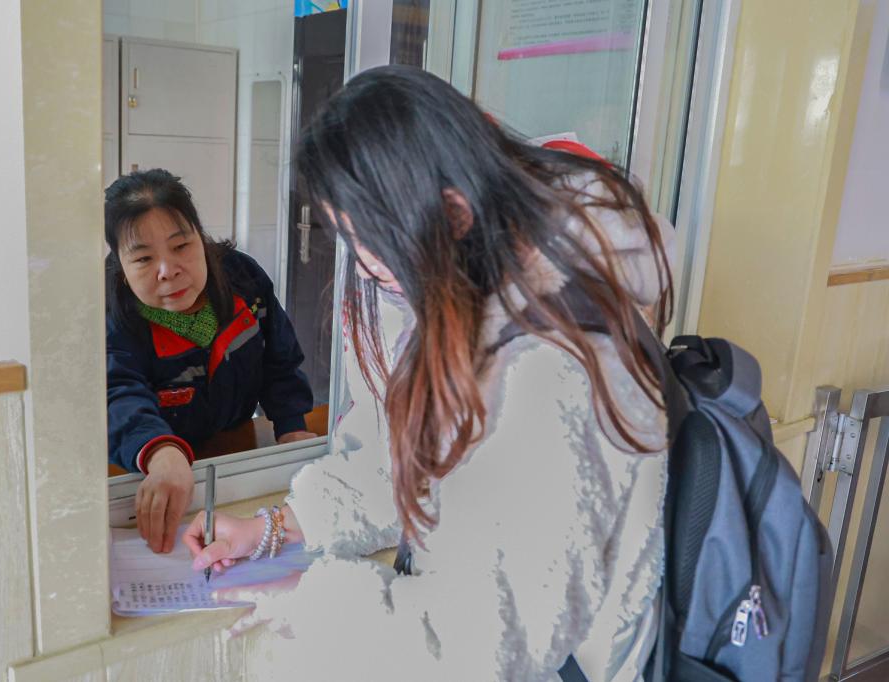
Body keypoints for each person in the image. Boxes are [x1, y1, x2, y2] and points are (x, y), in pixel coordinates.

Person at [183, 65, 675, 680]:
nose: (363, 266)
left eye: (367, 237)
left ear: (453, 212)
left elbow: (485, 644)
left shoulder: (555, 366)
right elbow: (405, 467)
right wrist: (272, 529)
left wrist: (321, 607)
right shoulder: (475, 305)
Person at [106, 169, 315, 554]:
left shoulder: (244, 280)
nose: (168, 270)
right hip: (151, 474)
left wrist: (291, 429)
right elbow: (117, 393)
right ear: (121, 267)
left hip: (234, 455)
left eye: (181, 246)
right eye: (144, 258)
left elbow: (279, 359)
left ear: (200, 238)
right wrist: (159, 452)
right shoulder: (114, 315)